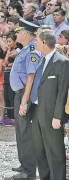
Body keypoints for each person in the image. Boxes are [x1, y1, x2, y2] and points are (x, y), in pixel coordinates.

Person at [28, 28, 69, 180]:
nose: (35, 44)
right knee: (40, 151)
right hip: (37, 111)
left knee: (55, 152)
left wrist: (58, 116)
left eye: (37, 41)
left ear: (44, 42)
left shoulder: (62, 62)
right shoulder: (42, 59)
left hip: (52, 115)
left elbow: (62, 92)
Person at [6, 18, 40, 180]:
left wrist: (25, 101)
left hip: (25, 94)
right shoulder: (26, 49)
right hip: (19, 94)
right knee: (20, 130)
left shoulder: (32, 50)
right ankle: (24, 164)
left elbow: (31, 77)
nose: (17, 34)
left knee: (26, 131)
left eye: (19, 32)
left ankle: (29, 171)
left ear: (26, 33)